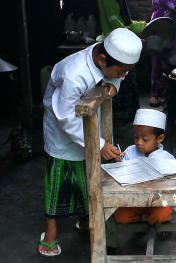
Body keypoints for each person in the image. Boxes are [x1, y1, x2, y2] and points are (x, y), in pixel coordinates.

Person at [38, 28, 143, 257]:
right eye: (121, 71)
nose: (124, 74)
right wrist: (100, 144)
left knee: (88, 178)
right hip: (63, 132)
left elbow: (114, 75)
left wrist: (114, 83)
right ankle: (50, 233)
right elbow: (66, 117)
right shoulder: (73, 75)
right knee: (60, 182)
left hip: (88, 127)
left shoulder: (104, 58)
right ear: (102, 59)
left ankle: (86, 221)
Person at [113, 109, 176, 228]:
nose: (139, 142)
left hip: (157, 201)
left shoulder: (166, 158)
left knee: (162, 215)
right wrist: (118, 162)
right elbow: (121, 172)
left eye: (145, 139)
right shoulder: (130, 151)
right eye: (136, 137)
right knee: (120, 216)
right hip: (132, 200)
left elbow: (174, 180)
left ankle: (157, 223)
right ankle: (138, 226)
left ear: (160, 139)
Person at [98, 0, 147, 121]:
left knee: (127, 79)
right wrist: (134, 38)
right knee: (117, 79)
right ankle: (116, 120)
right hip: (113, 45)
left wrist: (144, 26)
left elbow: (126, 22)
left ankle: (128, 118)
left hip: (121, 42)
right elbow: (115, 23)